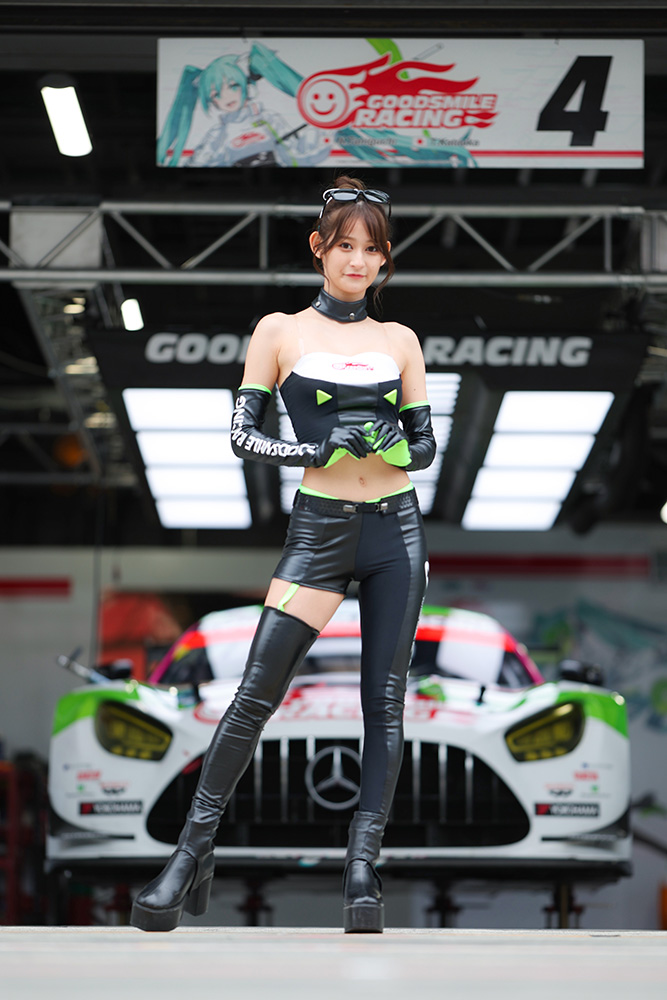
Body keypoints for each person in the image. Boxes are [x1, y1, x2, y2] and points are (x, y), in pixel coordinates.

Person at [130, 176, 436, 934]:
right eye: (345, 245)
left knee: (384, 702)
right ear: (318, 248)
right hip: (320, 529)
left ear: (385, 259)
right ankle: (190, 853)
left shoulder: (400, 341)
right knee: (253, 695)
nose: (358, 260)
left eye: (373, 249)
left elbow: (424, 448)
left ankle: (362, 868)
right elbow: (243, 435)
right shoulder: (279, 331)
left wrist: (390, 441)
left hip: (395, 529)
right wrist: (314, 448)